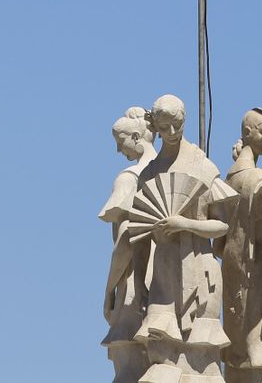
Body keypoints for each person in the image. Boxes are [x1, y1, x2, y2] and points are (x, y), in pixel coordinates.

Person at [108, 94, 237, 383]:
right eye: (165, 127)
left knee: (202, 362)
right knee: (161, 358)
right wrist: (139, 283)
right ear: (154, 126)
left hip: (200, 271)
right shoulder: (149, 173)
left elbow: (221, 226)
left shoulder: (202, 165)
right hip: (164, 277)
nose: (173, 133)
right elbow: (139, 237)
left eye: (177, 125)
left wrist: (186, 224)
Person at [220, 108, 262, 383]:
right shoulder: (259, 178)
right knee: (261, 354)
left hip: (233, 278)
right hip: (257, 274)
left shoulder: (229, 180)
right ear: (247, 132)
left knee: (237, 356)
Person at [100, 108, 158, 383]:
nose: (117, 150)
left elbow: (125, 238)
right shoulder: (170, 172)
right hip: (167, 287)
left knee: (129, 371)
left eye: (119, 141)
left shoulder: (129, 178)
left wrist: (110, 289)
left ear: (136, 136)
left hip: (135, 286)